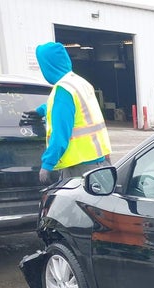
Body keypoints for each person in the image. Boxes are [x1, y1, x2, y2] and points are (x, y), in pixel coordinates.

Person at [34, 41, 111, 185]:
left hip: (80, 167)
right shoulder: (79, 82)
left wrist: (48, 163)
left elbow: (60, 133)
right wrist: (43, 109)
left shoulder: (62, 90)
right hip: (97, 160)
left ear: (47, 65)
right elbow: (78, 110)